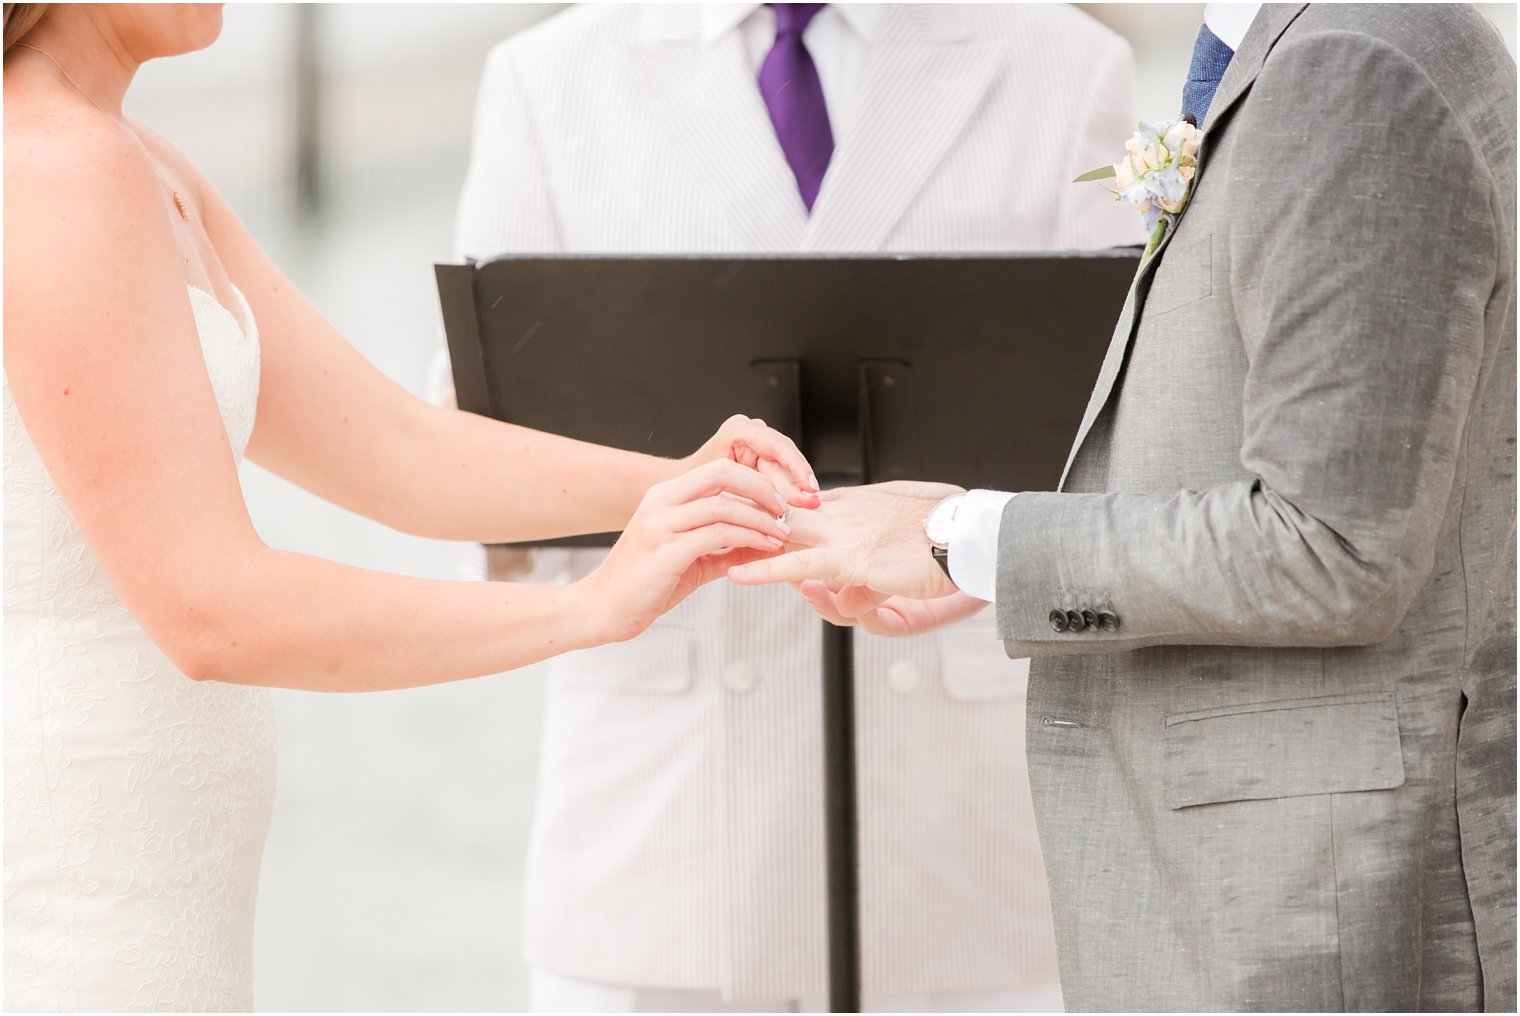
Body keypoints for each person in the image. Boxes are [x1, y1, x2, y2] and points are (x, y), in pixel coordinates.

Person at [1, 4, 819, 1011]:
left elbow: (397, 450)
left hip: (155, 872)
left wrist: (677, 482)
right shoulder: (61, 169)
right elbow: (207, 607)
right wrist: (587, 607)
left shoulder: (136, 161)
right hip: (79, 886)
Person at [736, 2, 1518, 1011]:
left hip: (1306, 914)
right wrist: (978, 545)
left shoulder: (1353, 63)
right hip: (1241, 895)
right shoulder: (1302, 47)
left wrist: (965, 539)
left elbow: (1330, 545)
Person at [450, 3, 1140, 1010]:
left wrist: (976, 550)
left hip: (957, 825)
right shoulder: (545, 76)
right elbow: (470, 446)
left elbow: (1123, 446)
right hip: (663, 832)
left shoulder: (1065, 64)